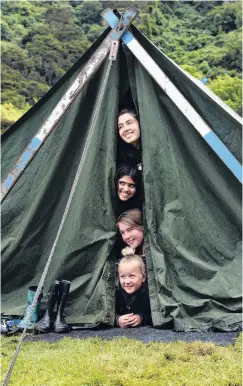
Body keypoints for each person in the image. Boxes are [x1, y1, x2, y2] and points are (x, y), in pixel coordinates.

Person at [115, 247, 152, 328]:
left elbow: (155, 314)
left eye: (132, 276)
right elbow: (104, 313)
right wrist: (118, 320)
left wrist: (141, 318)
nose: (127, 281)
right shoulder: (115, 292)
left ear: (143, 277)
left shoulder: (149, 293)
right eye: (123, 277)